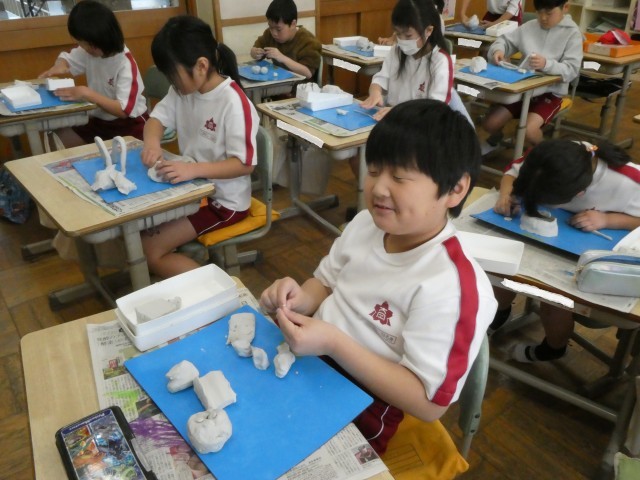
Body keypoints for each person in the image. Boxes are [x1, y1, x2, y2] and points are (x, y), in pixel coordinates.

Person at [259, 99, 497, 454]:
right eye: (373, 170)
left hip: (364, 403)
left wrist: (334, 343)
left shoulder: (452, 286)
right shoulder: (366, 224)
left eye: (399, 177)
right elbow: (324, 283)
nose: (379, 189)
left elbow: (428, 404)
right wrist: (300, 298)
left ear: (455, 189)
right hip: (308, 358)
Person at [490, 139, 640, 362]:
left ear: (580, 193)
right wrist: (506, 194)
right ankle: (498, 313)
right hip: (533, 237)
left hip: (582, 252)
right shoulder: (548, 157)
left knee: (554, 301)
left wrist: (608, 219)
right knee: (501, 273)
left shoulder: (628, 181)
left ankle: (554, 348)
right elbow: (511, 173)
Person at [140, 16, 259, 279]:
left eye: (173, 75)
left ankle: (220, 290)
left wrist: (193, 170)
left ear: (201, 66)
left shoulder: (233, 103)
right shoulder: (182, 91)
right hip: (192, 190)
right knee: (139, 228)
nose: (172, 82)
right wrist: (152, 143)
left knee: (149, 252)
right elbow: (156, 120)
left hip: (224, 202)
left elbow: (244, 164)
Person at [39, 0, 148, 148]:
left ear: (101, 39)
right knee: (56, 137)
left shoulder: (125, 64)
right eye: (81, 43)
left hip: (129, 125)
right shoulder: (90, 51)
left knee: (121, 156)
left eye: (85, 44)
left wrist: (87, 93)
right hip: (99, 122)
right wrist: (60, 65)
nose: (83, 48)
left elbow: (124, 110)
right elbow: (66, 58)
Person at [481, 0, 582, 153]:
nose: (543, 18)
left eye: (549, 13)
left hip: (549, 93)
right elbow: (504, 41)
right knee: (490, 124)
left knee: (529, 131)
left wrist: (546, 64)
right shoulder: (529, 27)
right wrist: (498, 51)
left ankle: (544, 153)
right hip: (523, 89)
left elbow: (572, 70)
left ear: (565, 8)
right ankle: (496, 141)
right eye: (539, 13)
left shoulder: (572, 34)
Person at [250, 0, 322, 80]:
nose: (274, 33)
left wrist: (282, 58)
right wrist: (255, 52)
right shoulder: (269, 35)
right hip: (279, 82)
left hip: (300, 86)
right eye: (270, 27)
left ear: (293, 24)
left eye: (278, 29)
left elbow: (308, 73)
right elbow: (256, 48)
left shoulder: (308, 41)